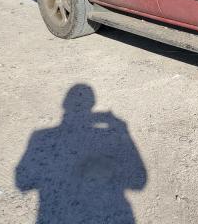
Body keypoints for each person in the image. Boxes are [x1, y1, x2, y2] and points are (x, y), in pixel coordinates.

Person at [16, 84, 147, 224]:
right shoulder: (106, 136)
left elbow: (23, 181)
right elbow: (138, 182)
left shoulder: (40, 137)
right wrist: (122, 129)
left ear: (64, 104)